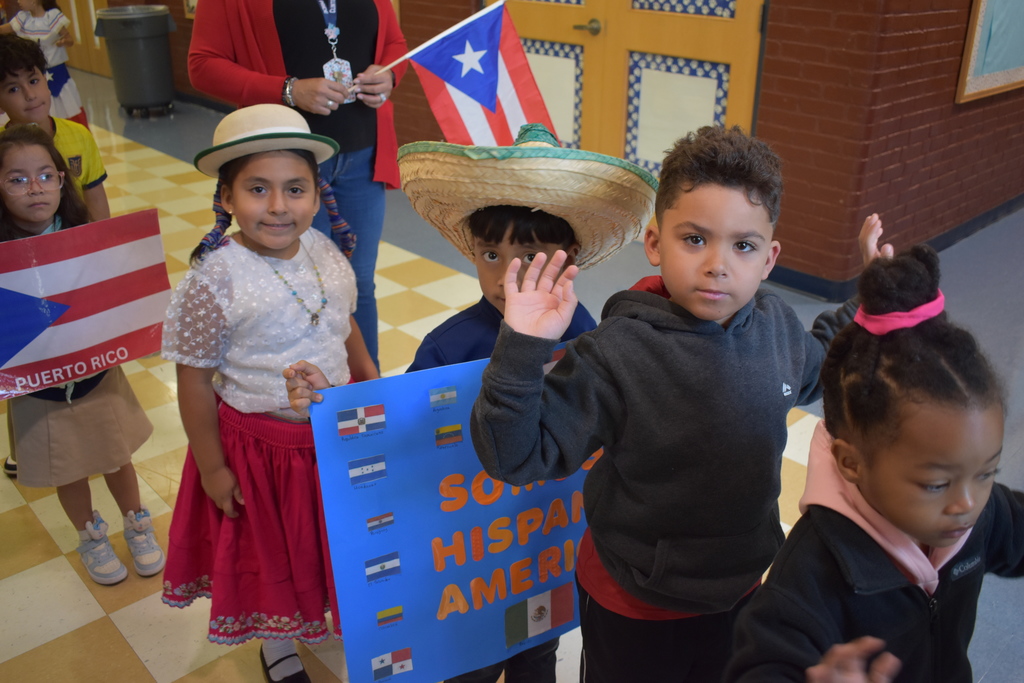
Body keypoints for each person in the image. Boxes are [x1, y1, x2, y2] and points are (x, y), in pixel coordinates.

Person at [467, 126, 888, 681]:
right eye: (695, 239)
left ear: (769, 258)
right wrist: (521, 347)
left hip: (742, 585)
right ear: (654, 242)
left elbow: (825, 367)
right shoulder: (614, 352)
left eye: (743, 245)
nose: (718, 264)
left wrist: (875, 296)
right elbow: (514, 457)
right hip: (633, 601)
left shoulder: (778, 328)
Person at [287, 123, 658, 683]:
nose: (507, 275)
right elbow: (399, 427)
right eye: (490, 252)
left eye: (530, 254)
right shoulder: (448, 345)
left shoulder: (587, 334)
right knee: (473, 665)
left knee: (538, 653)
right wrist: (332, 402)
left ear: (570, 255)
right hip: (470, 565)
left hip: (541, 552)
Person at [724, 244, 1024, 683]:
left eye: (986, 473)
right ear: (851, 463)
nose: (968, 503)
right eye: (936, 484)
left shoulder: (974, 512)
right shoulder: (813, 570)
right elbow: (760, 666)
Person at [161, 104, 378, 683]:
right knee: (270, 549)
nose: (279, 207)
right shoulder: (214, 279)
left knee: (323, 536)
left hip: (330, 438)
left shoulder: (326, 253)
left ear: (316, 193)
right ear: (226, 197)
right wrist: (212, 468)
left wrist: (371, 383)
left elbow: (345, 321)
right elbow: (193, 380)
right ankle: (276, 643)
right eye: (258, 189)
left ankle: (325, 614)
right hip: (261, 448)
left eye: (295, 189)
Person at [188, 0, 408, 370]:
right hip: (286, 165)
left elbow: (394, 45)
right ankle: (305, 400)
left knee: (359, 286)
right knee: (305, 287)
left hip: (362, 152)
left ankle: (367, 393)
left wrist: (389, 75)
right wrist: (286, 90)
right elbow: (203, 65)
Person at [0, 124, 163, 585]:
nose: (34, 188)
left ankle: (136, 522)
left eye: (45, 175)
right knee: (65, 466)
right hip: (38, 387)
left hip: (95, 373)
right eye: (16, 179)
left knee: (115, 454)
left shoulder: (85, 239)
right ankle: (90, 534)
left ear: (61, 179)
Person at [0, 34, 109, 223]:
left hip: (76, 242)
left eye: (34, 81)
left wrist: (101, 246)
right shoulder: (2, 147)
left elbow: (96, 201)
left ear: (46, 80)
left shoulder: (79, 135)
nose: (30, 95)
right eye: (13, 89)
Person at [0, 0, 87, 127]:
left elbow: (69, 39)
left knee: (61, 104)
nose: (19, 1)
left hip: (56, 72)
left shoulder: (52, 17)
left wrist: (63, 42)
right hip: (31, 69)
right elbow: (4, 29)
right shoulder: (23, 18)